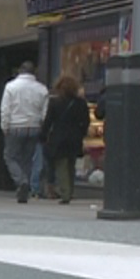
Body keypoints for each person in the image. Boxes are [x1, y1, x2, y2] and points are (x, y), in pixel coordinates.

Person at [0, 61, 48, 203]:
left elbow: (5, 109)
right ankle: (24, 188)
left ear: (20, 71)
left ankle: (21, 181)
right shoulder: (42, 89)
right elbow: (45, 113)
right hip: (34, 127)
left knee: (9, 156)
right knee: (27, 159)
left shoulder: (10, 87)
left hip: (15, 126)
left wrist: (4, 126)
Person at [40, 75, 90, 204]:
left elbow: (48, 121)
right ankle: (70, 191)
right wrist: (82, 134)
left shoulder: (55, 102)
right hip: (75, 137)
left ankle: (65, 193)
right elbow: (86, 121)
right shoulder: (81, 103)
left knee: (61, 166)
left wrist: (43, 136)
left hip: (59, 138)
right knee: (71, 165)